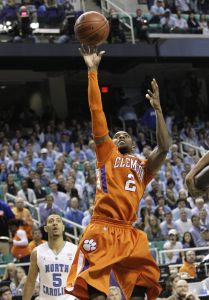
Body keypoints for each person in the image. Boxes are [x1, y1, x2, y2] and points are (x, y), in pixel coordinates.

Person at [65, 46, 170, 300]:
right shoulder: (107, 153)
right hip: (103, 226)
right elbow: (96, 112)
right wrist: (92, 71)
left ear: (133, 144)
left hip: (129, 232)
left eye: (125, 135)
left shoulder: (143, 167)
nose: (120, 135)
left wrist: (157, 109)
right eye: (116, 134)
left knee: (141, 290)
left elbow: (164, 147)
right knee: (97, 294)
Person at [23, 214, 77, 299]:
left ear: (63, 227)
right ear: (45, 228)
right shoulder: (37, 252)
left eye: (58, 221)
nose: (55, 223)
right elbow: (30, 282)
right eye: (51, 221)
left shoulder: (75, 250)